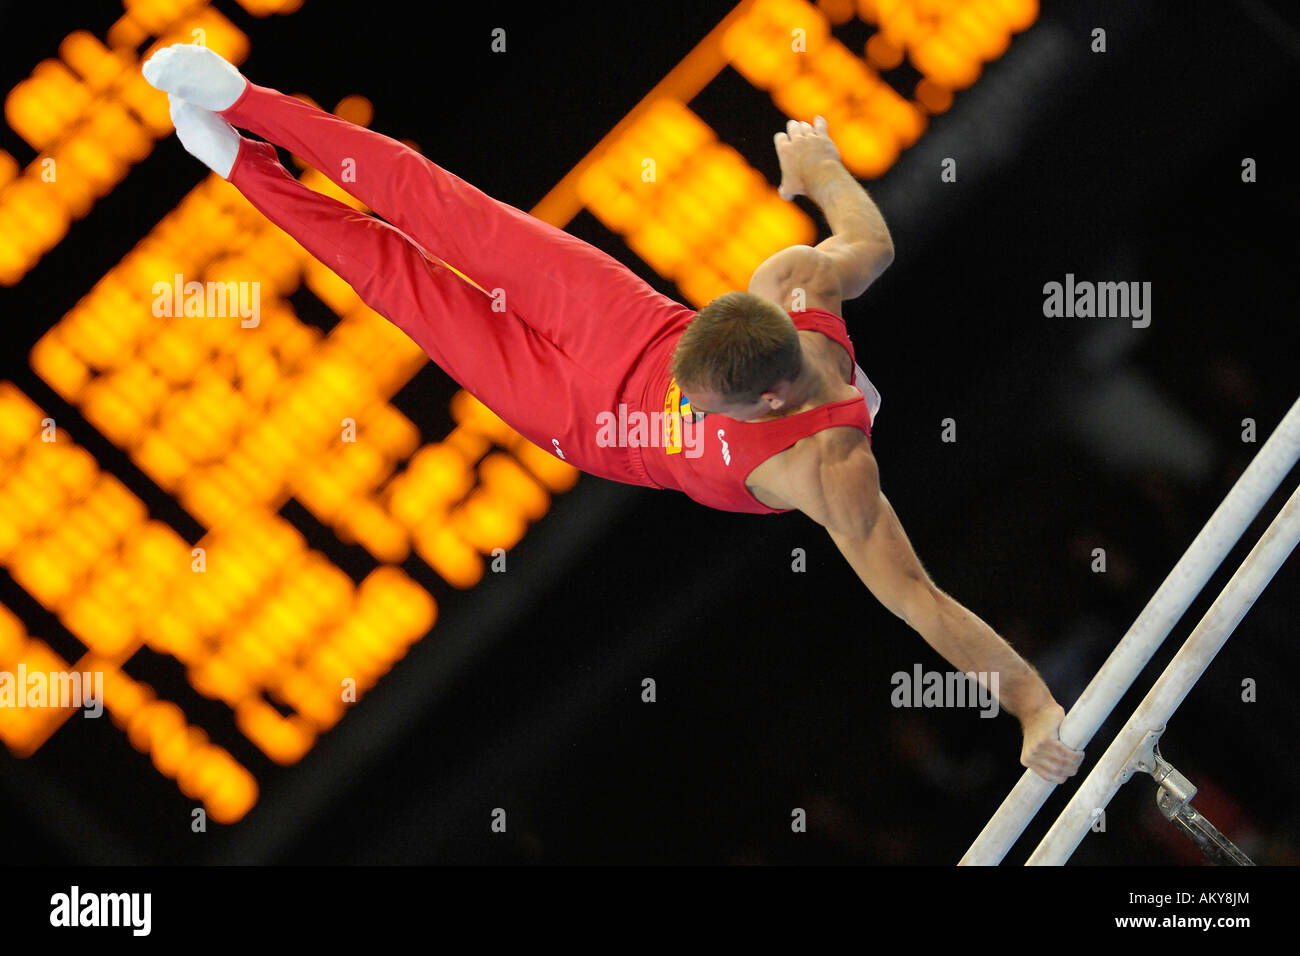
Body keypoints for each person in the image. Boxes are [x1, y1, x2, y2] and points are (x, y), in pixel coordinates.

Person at [142, 44, 1084, 784]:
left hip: (586, 419)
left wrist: (1034, 704)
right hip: (621, 316)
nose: (689, 394)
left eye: (702, 401)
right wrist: (823, 171)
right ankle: (245, 102)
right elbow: (869, 239)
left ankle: (241, 167)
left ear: (770, 401)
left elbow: (922, 602)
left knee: (403, 282)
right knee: (438, 203)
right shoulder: (792, 287)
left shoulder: (829, 469)